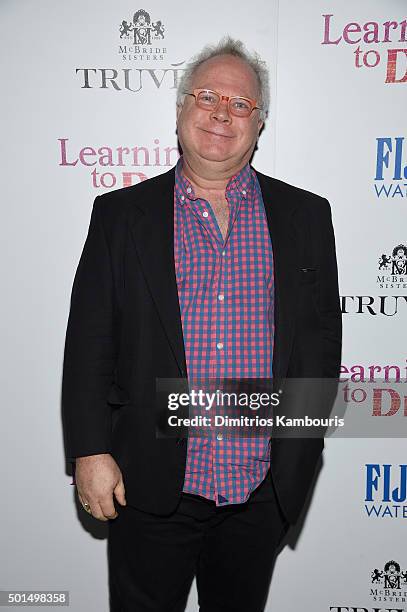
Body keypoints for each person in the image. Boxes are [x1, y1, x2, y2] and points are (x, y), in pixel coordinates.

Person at [62, 36, 342, 612]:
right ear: (181, 110)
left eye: (241, 104)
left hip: (259, 491)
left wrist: (299, 456)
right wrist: (89, 450)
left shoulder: (306, 216)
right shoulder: (120, 216)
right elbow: (90, 344)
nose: (222, 112)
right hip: (148, 485)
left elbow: (319, 350)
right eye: (208, 96)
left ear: (259, 124)